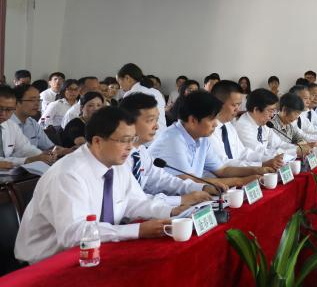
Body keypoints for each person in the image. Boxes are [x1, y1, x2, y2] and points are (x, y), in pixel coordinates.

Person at [13, 106, 174, 264]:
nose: (130, 147)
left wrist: (173, 212)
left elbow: (135, 203)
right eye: (124, 140)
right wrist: (137, 230)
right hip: (48, 262)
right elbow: (74, 234)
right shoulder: (68, 174)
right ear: (97, 141)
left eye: (132, 139)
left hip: (95, 251)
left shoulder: (116, 164)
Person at [148, 91, 264, 188]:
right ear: (193, 120)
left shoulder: (201, 138)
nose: (215, 124)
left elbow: (222, 170)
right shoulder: (173, 140)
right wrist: (240, 181)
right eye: (211, 119)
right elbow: (191, 181)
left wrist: (257, 170)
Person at [118, 94, 215, 210]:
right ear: (128, 122)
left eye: (156, 120)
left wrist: (201, 187)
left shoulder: (141, 152)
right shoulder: (117, 157)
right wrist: (181, 200)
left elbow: (163, 180)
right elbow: (133, 199)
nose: (156, 126)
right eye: (150, 120)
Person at [209, 81, 283, 173]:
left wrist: (268, 160)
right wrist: (261, 164)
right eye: (234, 105)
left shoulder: (228, 126)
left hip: (237, 174)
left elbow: (243, 153)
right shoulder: (208, 130)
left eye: (239, 105)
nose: (238, 109)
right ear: (218, 103)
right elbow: (223, 164)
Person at [234, 89, 303, 158]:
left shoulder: (264, 124)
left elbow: (279, 143)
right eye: (270, 110)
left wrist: (298, 148)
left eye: (274, 111)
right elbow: (260, 152)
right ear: (256, 110)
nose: (272, 115)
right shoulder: (243, 127)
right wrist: (295, 151)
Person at [0, 86, 59, 167]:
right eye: (0, 108)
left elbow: (25, 148)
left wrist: (42, 156)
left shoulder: (11, 125)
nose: (3, 114)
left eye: (9, 110)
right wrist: (27, 160)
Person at [11, 84, 68, 153]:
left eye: (38, 100)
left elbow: (50, 147)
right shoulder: (6, 124)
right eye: (32, 100)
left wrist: (68, 151)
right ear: (17, 102)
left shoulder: (32, 123)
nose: (37, 104)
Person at [118, 63, 167, 129]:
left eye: (119, 83)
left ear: (127, 78)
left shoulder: (131, 94)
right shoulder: (156, 91)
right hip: (162, 132)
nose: (120, 87)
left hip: (145, 133)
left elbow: (125, 120)